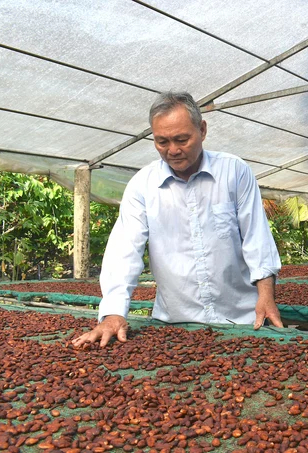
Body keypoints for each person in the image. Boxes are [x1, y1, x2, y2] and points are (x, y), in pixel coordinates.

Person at [72, 91, 282, 347]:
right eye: (162, 142)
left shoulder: (234, 172)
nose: (173, 150)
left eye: (182, 139)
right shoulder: (142, 185)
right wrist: (114, 312)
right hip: (174, 325)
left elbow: (256, 238)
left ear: (202, 130)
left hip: (242, 318)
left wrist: (266, 295)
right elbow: (124, 251)